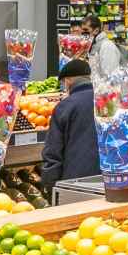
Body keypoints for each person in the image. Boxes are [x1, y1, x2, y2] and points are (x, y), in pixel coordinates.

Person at [42, 59, 98, 194]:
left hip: (75, 185)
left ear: (67, 81)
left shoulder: (65, 106)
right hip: (108, 180)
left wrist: (50, 188)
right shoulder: (106, 101)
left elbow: (53, 153)